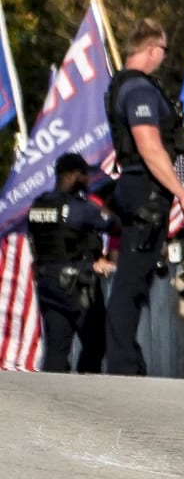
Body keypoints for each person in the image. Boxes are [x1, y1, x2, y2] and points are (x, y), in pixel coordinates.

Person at [102, 20, 184, 375]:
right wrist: (182, 194)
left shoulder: (123, 86)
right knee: (129, 281)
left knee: (135, 278)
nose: (163, 58)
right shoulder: (139, 90)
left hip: (137, 186)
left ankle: (127, 359)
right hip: (146, 189)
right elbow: (149, 146)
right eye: (164, 50)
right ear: (152, 49)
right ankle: (124, 364)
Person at [26, 153, 114, 373]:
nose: (87, 180)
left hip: (47, 282)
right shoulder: (79, 208)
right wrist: (108, 201)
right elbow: (112, 224)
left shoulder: (38, 205)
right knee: (96, 341)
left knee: (56, 347)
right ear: (73, 175)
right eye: (84, 175)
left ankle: (52, 400)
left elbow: (35, 244)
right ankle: (85, 390)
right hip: (76, 284)